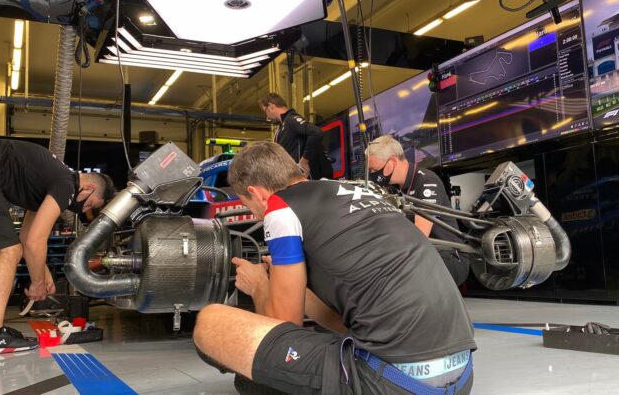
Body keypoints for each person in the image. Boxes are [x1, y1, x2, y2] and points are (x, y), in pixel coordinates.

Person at [194, 142, 476, 394]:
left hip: (387, 384)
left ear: (257, 193)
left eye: (249, 205)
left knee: (211, 323)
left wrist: (258, 285)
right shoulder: (360, 192)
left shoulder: (279, 207)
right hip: (459, 379)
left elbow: (283, 327)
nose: (256, 214)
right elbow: (352, 305)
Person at [0, 139, 115, 355]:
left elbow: (28, 238)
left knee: (3, 251)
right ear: (88, 187)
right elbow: (35, 241)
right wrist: (37, 283)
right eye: (90, 204)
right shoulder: (65, 184)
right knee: (7, 251)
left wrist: (43, 274)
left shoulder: (49, 181)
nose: (84, 209)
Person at [366, 135, 471, 286]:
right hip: (424, 255)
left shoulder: (427, 182)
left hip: (450, 258)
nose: (373, 174)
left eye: (374, 169)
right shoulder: (393, 189)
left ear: (393, 162)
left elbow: (419, 236)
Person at [259, 93, 332, 180]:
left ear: (271, 106)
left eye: (265, 111)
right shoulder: (281, 127)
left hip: (308, 181)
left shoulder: (291, 119)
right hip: (294, 180)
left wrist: (304, 161)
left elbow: (316, 132)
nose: (267, 117)